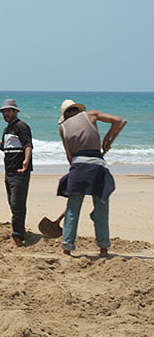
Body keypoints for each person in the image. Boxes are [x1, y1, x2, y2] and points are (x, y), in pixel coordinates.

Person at [57, 99, 122, 257]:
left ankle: (67, 247)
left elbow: (69, 156)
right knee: (101, 209)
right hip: (96, 166)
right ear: (77, 110)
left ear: (65, 115)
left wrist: (76, 170)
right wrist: (106, 140)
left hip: (78, 167)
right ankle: (103, 248)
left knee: (73, 209)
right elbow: (117, 121)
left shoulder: (63, 128)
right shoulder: (91, 115)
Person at [0, 99, 33, 247]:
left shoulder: (21, 126)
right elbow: (3, 147)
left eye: (8, 111)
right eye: (4, 112)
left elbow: (28, 145)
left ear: (15, 112)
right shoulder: (7, 129)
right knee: (13, 204)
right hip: (9, 171)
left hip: (20, 171)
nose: (6, 114)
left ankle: (17, 238)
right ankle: (20, 231)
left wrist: (26, 161)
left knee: (17, 204)